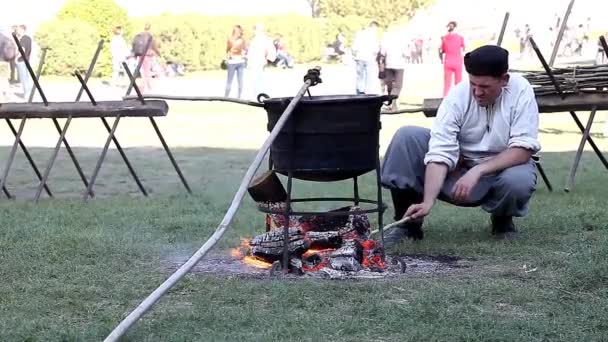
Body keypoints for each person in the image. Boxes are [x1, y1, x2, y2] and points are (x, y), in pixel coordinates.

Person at [381, 45, 541, 247]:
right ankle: (408, 226)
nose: (477, 92)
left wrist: (479, 171)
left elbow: (523, 149)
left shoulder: (521, 90)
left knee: (519, 179)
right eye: (473, 84)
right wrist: (428, 201)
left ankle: (503, 222)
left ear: (504, 80)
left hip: (501, 169)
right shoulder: (458, 95)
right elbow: (440, 151)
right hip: (458, 167)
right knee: (407, 136)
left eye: (485, 87)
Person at [379, 28, 407, 109]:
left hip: (388, 65)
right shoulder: (402, 42)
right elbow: (406, 53)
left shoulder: (386, 42)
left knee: (389, 84)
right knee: (398, 86)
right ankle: (393, 102)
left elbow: (382, 54)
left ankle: (390, 101)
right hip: (399, 66)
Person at [246, 23, 275, 99]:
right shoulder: (255, 39)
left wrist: (268, 59)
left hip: (259, 61)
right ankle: (256, 95)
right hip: (254, 61)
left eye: (255, 29)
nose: (254, 31)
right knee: (256, 79)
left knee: (258, 79)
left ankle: (260, 95)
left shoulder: (264, 39)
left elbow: (270, 50)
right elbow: (251, 52)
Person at [352, 21, 380, 94]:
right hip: (369, 57)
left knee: (360, 75)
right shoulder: (373, 36)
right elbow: (376, 49)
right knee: (369, 75)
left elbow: (354, 46)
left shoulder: (360, 34)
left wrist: (354, 54)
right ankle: (368, 91)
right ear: (373, 27)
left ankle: (359, 90)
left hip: (360, 57)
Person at [132, 23, 160, 93]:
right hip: (147, 55)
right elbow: (154, 46)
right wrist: (158, 53)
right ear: (150, 28)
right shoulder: (150, 36)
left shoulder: (139, 36)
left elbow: (134, 44)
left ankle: (145, 86)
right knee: (147, 72)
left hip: (139, 55)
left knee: (143, 72)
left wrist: (135, 54)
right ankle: (148, 87)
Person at [439, 21, 465, 97]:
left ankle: (444, 98)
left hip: (448, 61)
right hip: (457, 61)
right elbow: (463, 48)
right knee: (458, 82)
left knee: (447, 83)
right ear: (456, 28)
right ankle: (459, 97)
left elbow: (442, 50)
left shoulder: (444, 38)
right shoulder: (460, 38)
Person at [225, 25, 247, 98]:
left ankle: (226, 96)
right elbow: (245, 50)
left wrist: (228, 58)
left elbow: (227, 50)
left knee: (229, 80)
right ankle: (239, 96)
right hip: (241, 61)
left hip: (232, 61)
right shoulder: (243, 40)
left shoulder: (230, 39)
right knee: (240, 80)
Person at [15, 24, 32, 98]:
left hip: (21, 60)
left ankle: (27, 94)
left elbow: (22, 50)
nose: (16, 31)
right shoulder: (28, 38)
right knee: (27, 77)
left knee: (23, 78)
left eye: (18, 30)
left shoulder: (23, 39)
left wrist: (16, 58)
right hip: (27, 60)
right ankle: (29, 94)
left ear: (22, 30)